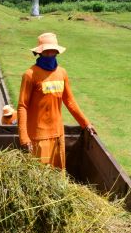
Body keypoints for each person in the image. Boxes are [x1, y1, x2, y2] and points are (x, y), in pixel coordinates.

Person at [17, 32, 95, 169]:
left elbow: (70, 101)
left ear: (57, 52)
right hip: (38, 137)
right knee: (39, 178)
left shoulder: (62, 73)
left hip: (58, 135)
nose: (50, 54)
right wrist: (24, 137)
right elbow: (22, 106)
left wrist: (85, 123)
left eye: (53, 51)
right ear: (40, 53)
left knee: (58, 176)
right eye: (47, 51)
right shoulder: (30, 75)